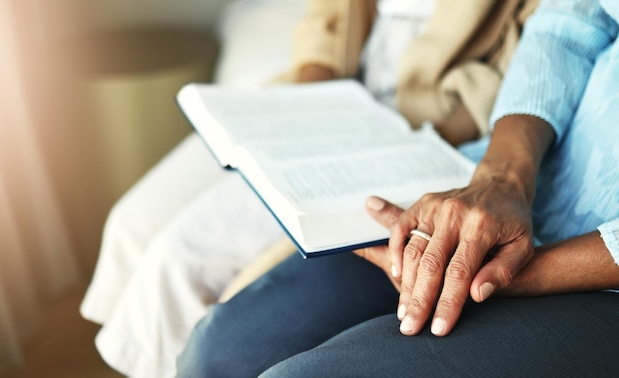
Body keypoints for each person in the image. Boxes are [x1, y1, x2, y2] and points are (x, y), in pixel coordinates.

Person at [80, 0, 534, 376]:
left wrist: (388, 137)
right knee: (130, 223)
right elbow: (326, 22)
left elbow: (520, 70)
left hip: (420, 129)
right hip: (327, 103)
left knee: (177, 262)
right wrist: (312, 104)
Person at [175, 0, 619, 376]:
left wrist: (517, 275)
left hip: (598, 272)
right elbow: (569, 21)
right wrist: (503, 177)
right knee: (220, 352)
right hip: (524, 178)